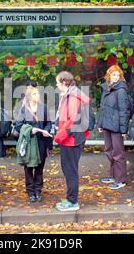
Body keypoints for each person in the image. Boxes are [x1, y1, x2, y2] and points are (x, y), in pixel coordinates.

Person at [54, 71, 92, 211]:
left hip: (71, 139)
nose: (56, 85)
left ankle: (72, 201)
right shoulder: (71, 94)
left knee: (70, 170)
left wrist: (59, 136)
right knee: (69, 169)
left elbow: (72, 121)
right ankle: (71, 198)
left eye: (57, 82)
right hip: (71, 138)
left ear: (64, 82)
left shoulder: (73, 97)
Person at [14, 87, 52, 203]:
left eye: (38, 93)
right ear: (29, 96)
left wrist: (46, 130)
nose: (38, 96)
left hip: (41, 142)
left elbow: (49, 122)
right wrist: (31, 131)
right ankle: (30, 191)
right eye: (35, 94)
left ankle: (38, 191)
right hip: (29, 143)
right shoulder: (24, 110)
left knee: (40, 168)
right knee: (29, 168)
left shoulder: (43, 108)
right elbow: (18, 126)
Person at [97, 65, 131, 190]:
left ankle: (120, 179)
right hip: (106, 125)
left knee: (118, 153)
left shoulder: (121, 90)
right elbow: (102, 107)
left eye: (118, 75)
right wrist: (100, 124)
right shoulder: (106, 88)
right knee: (109, 150)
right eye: (113, 74)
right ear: (109, 75)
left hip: (116, 126)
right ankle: (112, 175)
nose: (116, 77)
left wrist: (123, 130)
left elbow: (124, 111)